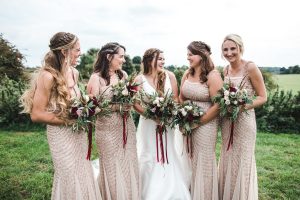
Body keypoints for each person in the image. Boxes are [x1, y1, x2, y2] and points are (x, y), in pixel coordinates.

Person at [20, 32, 102, 200]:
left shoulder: (75, 73)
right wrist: (69, 120)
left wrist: (86, 110)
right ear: (65, 52)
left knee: (82, 172)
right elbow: (36, 114)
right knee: (68, 176)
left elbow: (76, 102)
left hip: (78, 134)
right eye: (77, 50)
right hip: (61, 136)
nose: (80, 53)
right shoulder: (47, 76)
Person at [134, 48, 191, 200]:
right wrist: (150, 114)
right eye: (159, 59)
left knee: (168, 151)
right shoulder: (139, 79)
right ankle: (149, 191)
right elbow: (135, 103)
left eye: (164, 59)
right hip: (148, 124)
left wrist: (167, 112)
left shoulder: (170, 76)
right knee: (150, 152)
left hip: (167, 123)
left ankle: (172, 187)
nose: (163, 62)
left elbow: (175, 99)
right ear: (148, 61)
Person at [87, 42, 139, 200]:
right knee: (111, 166)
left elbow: (130, 96)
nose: (123, 60)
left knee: (128, 162)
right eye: (121, 56)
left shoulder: (122, 75)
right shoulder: (96, 78)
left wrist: (130, 101)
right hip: (107, 130)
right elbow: (91, 108)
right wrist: (116, 107)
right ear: (109, 57)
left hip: (126, 126)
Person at [219, 34, 267, 200]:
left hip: (244, 120)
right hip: (227, 121)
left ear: (240, 48)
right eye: (225, 49)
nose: (229, 52)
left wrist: (241, 106)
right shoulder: (225, 70)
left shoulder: (250, 67)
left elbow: (262, 97)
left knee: (243, 160)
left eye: (233, 48)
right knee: (228, 157)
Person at [179, 41, 223, 200]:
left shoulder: (213, 75)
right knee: (188, 159)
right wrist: (185, 114)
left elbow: (218, 105)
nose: (188, 57)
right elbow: (181, 97)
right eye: (188, 54)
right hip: (188, 123)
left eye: (191, 54)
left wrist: (197, 122)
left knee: (202, 160)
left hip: (206, 125)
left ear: (201, 55)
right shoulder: (187, 73)